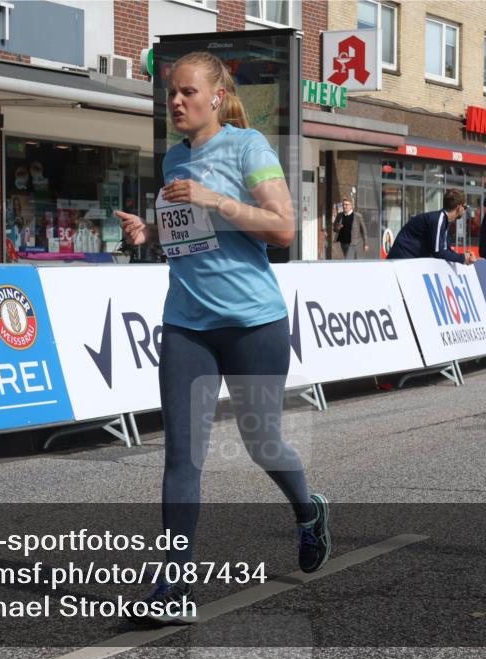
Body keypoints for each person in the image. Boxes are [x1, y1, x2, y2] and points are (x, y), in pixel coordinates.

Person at [116, 51, 329, 624]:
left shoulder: (248, 148)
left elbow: (282, 227)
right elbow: (192, 239)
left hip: (253, 323)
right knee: (182, 457)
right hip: (187, 323)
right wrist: (151, 231)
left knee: (263, 444)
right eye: (171, 95)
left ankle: (308, 512)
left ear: (216, 95)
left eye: (187, 92)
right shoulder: (172, 160)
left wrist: (216, 199)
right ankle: (176, 585)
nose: (177, 102)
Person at [386, 188, 475, 264]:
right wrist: (463, 258)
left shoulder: (443, 220)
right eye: (465, 207)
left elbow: (445, 249)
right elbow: (438, 252)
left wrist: (463, 256)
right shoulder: (439, 219)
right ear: (459, 208)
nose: (465, 211)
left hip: (407, 260)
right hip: (401, 261)